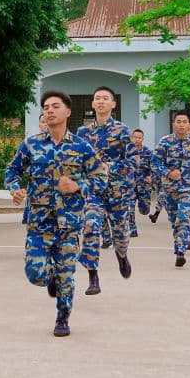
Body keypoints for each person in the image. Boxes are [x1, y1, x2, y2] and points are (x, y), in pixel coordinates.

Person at [5, 90, 106, 337]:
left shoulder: (82, 147)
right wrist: (15, 189)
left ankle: (63, 318)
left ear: (67, 112)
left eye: (55, 106)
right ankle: (49, 277)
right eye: (46, 107)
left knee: (66, 275)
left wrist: (77, 186)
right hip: (39, 222)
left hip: (69, 223)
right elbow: (12, 171)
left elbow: (101, 178)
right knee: (35, 274)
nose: (49, 110)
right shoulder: (32, 143)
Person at [76, 86, 133, 296]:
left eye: (105, 98)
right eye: (97, 98)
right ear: (92, 104)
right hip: (93, 192)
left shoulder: (122, 130)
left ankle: (122, 256)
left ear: (113, 104)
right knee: (90, 226)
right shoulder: (83, 133)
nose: (101, 101)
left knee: (121, 235)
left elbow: (132, 161)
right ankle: (93, 277)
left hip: (117, 191)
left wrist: (112, 167)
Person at [152, 113, 190, 267]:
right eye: (179, 122)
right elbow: (155, 162)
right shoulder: (165, 142)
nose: (182, 125)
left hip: (188, 188)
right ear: (174, 124)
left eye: (185, 122)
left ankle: (180, 251)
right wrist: (168, 173)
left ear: (188, 124)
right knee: (174, 220)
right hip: (170, 188)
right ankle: (181, 241)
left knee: (183, 217)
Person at [128, 129, 153, 235]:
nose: (137, 140)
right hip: (130, 184)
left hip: (144, 184)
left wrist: (151, 176)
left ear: (142, 139)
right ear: (131, 138)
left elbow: (154, 165)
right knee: (129, 208)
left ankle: (144, 207)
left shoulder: (148, 152)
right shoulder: (126, 151)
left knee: (145, 209)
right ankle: (132, 229)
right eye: (135, 137)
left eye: (139, 138)